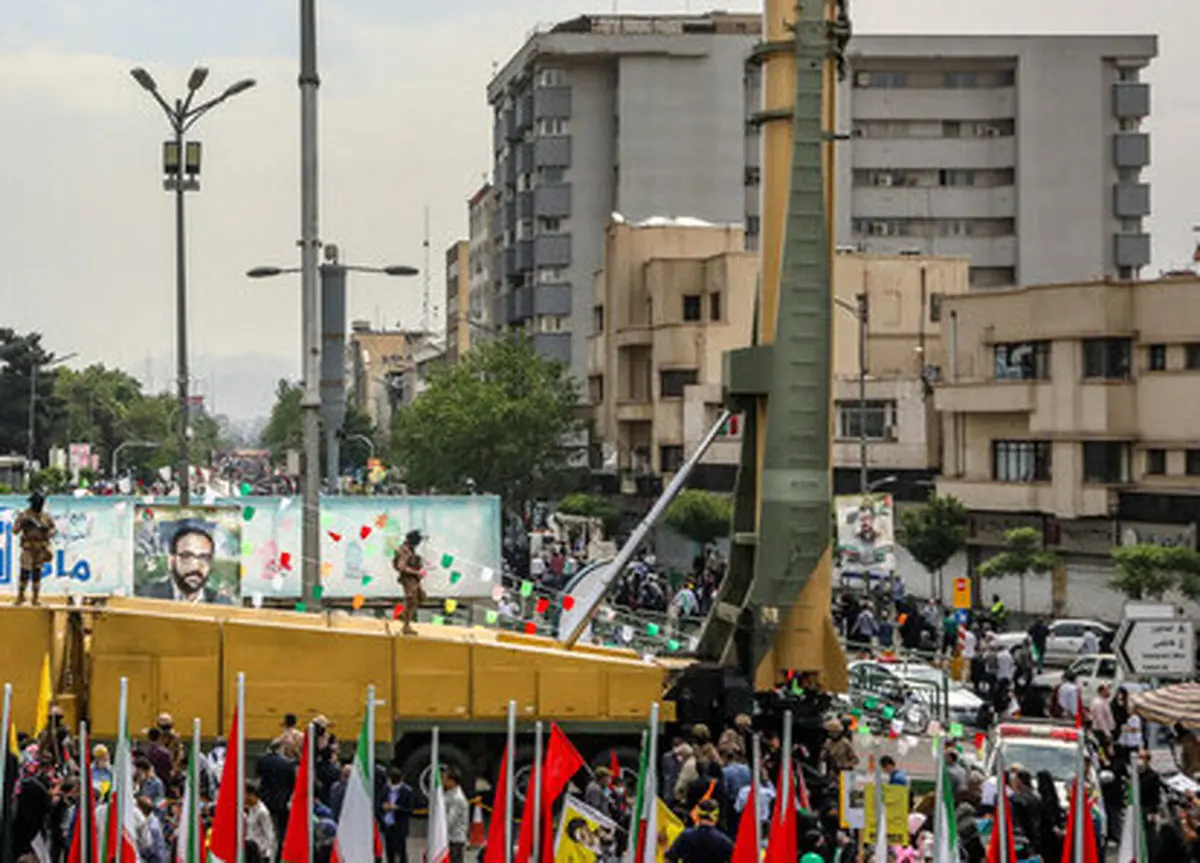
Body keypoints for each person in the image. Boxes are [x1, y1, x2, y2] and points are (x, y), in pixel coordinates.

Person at [145, 523, 230, 603]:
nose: (196, 566)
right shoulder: (147, 597)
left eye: (204, 558)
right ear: (170, 561)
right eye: (187, 556)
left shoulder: (222, 603)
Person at [14, 491, 56, 606]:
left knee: (37, 574)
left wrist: (46, 530)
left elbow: (53, 530)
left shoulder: (46, 517)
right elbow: (14, 530)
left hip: (40, 548)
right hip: (28, 547)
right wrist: (23, 524)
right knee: (25, 572)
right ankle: (21, 596)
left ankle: (35, 598)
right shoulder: (24, 515)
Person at [664, 799, 733, 863]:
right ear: (716, 817)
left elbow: (670, 858)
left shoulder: (686, 835)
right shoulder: (722, 840)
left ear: (698, 815)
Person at [392, 530, 426, 636]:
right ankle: (406, 625)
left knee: (421, 597)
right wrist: (416, 572)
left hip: (414, 578)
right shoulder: (404, 550)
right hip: (408, 578)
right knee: (411, 600)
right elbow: (401, 567)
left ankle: (404, 615)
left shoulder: (410, 549)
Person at [379, 767, 414, 863]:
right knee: (389, 851)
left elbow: (410, 810)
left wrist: (396, 808)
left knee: (401, 852)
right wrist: (383, 807)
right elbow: (379, 803)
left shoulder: (407, 791)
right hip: (388, 825)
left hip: (400, 826)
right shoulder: (385, 788)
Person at [244, 780, 278, 863]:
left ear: (250, 794)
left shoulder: (262, 812)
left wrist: (270, 858)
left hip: (260, 855)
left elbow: (270, 836)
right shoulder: (251, 809)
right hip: (251, 852)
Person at [443, 766, 469, 863]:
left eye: (445, 779)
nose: (443, 781)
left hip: (455, 839)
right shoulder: (449, 793)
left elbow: (450, 821)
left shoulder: (457, 798)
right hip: (450, 838)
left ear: (452, 781)